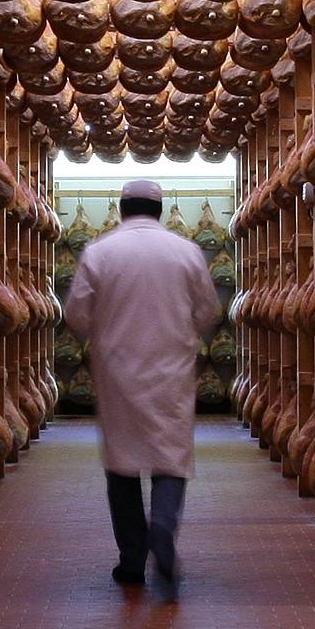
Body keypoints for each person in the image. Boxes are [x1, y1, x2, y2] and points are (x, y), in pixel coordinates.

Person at [62, 179, 224, 589]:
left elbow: (76, 314)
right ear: (158, 210)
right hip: (171, 369)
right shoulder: (186, 251)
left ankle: (132, 560)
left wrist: (105, 332)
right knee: (170, 458)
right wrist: (182, 332)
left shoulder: (100, 251)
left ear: (120, 209)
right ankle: (164, 527)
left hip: (118, 372)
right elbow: (209, 311)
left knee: (122, 465)